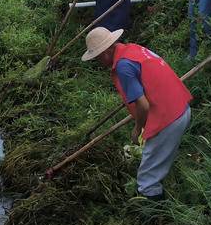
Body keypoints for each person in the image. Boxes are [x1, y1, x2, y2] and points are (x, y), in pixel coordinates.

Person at [81, 26, 191, 199]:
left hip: (169, 117)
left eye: (96, 58)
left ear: (106, 52)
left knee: (146, 181)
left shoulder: (123, 67)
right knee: (156, 160)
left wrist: (137, 128)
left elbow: (143, 105)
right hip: (180, 106)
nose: (98, 62)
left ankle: (156, 214)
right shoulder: (133, 49)